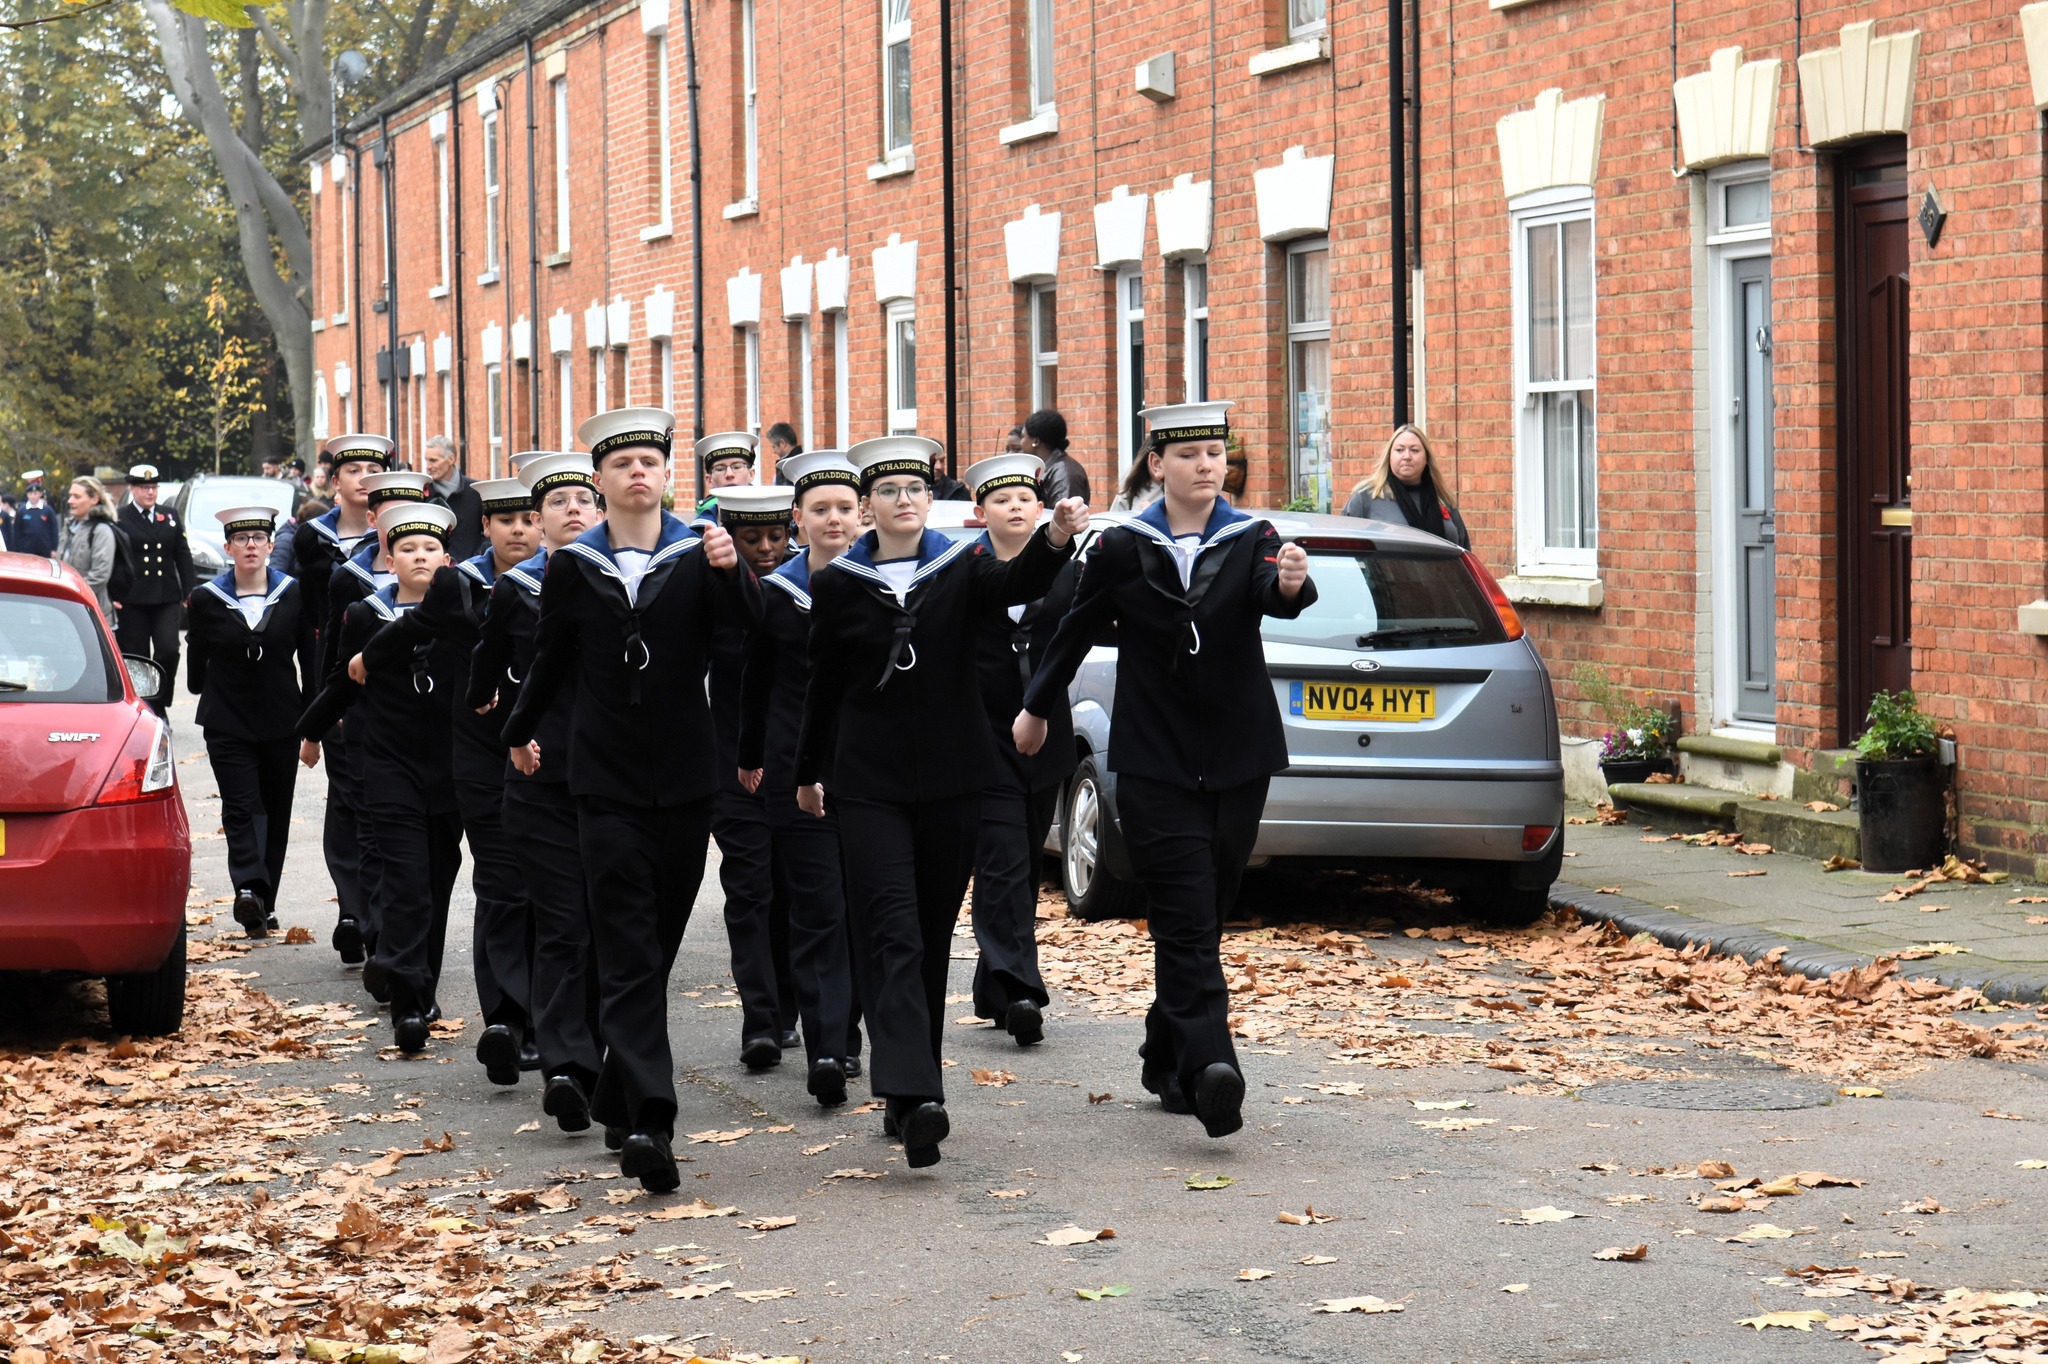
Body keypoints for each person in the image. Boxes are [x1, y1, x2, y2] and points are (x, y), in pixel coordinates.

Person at [1016, 400, 1314, 1141]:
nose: (1206, 465)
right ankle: (1216, 1069)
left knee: (1205, 911)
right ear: (1157, 465)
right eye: (1189, 455)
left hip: (1240, 759)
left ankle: (1165, 1053)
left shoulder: (1254, 537)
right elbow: (1072, 630)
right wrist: (1037, 707)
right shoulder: (1123, 546)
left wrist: (1288, 587)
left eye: (1215, 453)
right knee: (1184, 916)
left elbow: (1275, 593)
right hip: (1154, 762)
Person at [796, 436, 1086, 1168]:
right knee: (890, 930)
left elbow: (1019, 585)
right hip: (868, 787)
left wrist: (1054, 537)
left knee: (925, 936)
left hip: (954, 782)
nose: (903, 500)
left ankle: (906, 1096)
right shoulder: (837, 582)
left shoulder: (964, 566)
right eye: (888, 490)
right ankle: (918, 1093)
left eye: (914, 489)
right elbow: (822, 686)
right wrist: (807, 773)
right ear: (868, 504)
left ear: (931, 499)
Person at [501, 407, 760, 1191]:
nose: (637, 474)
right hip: (602, 781)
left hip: (686, 780)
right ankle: (653, 1119)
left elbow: (747, 642)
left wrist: (732, 570)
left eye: (650, 460)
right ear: (601, 479)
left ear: (666, 474)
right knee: (626, 947)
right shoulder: (576, 564)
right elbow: (550, 656)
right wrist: (518, 731)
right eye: (622, 464)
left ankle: (617, 1088)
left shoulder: (699, 551)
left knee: (660, 942)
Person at [297, 501, 467, 1056]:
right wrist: (312, 731)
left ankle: (420, 978)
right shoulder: (364, 614)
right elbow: (342, 681)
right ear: (388, 560)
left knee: (439, 879)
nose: (419, 557)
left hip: (448, 766)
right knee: (405, 877)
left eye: (430, 549)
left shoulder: (463, 608)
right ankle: (410, 1001)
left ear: (448, 559)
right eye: (407, 550)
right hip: (387, 764)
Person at [469, 451, 607, 1132]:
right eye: (558, 503)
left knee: (613, 929)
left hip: (620, 781)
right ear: (541, 519)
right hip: (540, 782)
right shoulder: (516, 589)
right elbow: (480, 681)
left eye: (585, 499)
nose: (573, 510)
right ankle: (564, 1067)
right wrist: (513, 727)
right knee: (562, 926)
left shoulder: (637, 582)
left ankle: (610, 1059)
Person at [738, 451, 866, 1106]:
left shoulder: (886, 582)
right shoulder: (778, 593)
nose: (834, 518)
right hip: (796, 774)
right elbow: (755, 685)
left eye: (845, 507)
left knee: (863, 911)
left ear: (861, 513)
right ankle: (828, 1047)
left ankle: (850, 1028)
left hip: (873, 772)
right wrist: (749, 757)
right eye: (821, 509)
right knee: (816, 911)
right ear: (798, 519)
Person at [414, 477, 546, 1085]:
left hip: (549, 756)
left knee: (546, 889)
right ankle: (506, 1020)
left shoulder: (564, 578)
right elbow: (410, 633)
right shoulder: (458, 583)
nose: (518, 529)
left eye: (527, 518)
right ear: (484, 527)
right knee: (500, 882)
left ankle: (545, 1018)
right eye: (505, 520)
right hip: (480, 757)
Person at [961, 453, 1077, 1047]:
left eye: (1023, 500)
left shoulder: (1067, 569)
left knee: (1025, 864)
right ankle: (1024, 989)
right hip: (983, 738)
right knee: (1003, 858)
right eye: (1000, 501)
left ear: (1039, 507)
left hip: (1046, 737)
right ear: (980, 512)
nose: (1014, 508)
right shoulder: (967, 568)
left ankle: (995, 986)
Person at [186, 506, 315, 937]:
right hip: (228, 721)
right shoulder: (206, 598)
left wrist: (315, 718)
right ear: (228, 548)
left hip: (282, 718)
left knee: (275, 812)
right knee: (242, 807)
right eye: (241, 539)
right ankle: (247, 889)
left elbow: (308, 657)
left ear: (272, 545)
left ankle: (265, 901)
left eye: (259, 537)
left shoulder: (292, 593)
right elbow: (197, 657)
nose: (251, 545)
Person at [292, 433, 395, 968]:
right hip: (336, 679)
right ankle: (354, 910)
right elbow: (297, 611)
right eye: (352, 469)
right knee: (349, 796)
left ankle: (379, 915)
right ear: (336, 480)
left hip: (399, 697)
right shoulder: (311, 541)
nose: (362, 478)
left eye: (372, 470)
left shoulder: (413, 541)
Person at [708, 485, 800, 1072]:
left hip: (793, 765)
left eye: (775, 536)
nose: (766, 549)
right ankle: (759, 1020)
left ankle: (788, 1006)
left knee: (792, 891)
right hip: (728, 764)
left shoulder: (805, 587)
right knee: (749, 892)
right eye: (751, 539)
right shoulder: (709, 590)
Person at [115, 464, 198, 716]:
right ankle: (144, 706)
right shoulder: (120, 516)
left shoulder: (170, 515)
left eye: (153, 487)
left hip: (165, 596)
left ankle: (161, 700)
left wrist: (189, 591)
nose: (150, 493)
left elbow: (182, 555)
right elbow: (115, 559)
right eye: (144, 488)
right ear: (133, 489)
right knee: (138, 656)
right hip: (133, 598)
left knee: (168, 650)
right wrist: (113, 592)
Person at [1341, 424, 1471, 549]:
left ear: (1426, 458)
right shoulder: (1366, 497)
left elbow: (1463, 549)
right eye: (1399, 450)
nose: (1407, 456)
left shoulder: (1443, 498)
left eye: (1414, 450)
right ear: (1389, 457)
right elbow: (1343, 545)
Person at [58, 476, 119, 622]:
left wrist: (70, 592)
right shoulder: (68, 526)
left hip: (93, 614)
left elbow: (100, 575)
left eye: (77, 497)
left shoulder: (101, 530)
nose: (70, 501)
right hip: (67, 611)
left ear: (94, 499)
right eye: (70, 496)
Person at [425, 434, 486, 561]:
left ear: (451, 459)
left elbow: (488, 533)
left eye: (433, 460)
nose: (428, 467)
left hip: (471, 571)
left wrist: (476, 559)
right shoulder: (422, 494)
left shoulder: (476, 491)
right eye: (427, 460)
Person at [1025, 409, 1091, 508]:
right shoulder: (1046, 469)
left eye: (1023, 437)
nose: (1020, 443)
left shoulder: (1063, 473)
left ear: (1036, 441)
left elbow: (1064, 515)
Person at [13, 473, 61, 559]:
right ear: (27, 495)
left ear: (40, 494)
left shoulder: (47, 510)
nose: (33, 496)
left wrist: (54, 549)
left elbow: (54, 530)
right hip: (26, 550)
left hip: (45, 549)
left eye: (35, 493)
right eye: (30, 493)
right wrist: (18, 549)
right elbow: (17, 532)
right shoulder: (22, 511)